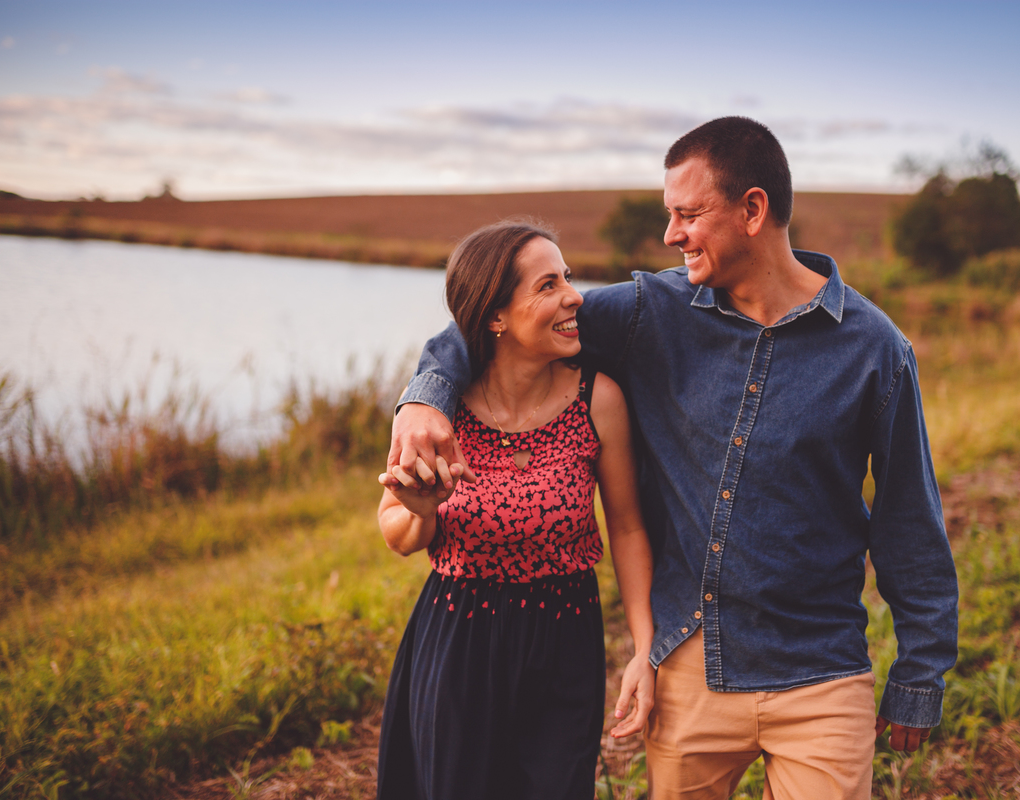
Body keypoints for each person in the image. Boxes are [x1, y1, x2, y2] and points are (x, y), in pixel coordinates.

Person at [387, 117, 959, 800]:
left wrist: (919, 672)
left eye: (687, 214)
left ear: (752, 209)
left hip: (820, 673)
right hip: (689, 664)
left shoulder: (874, 351)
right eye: (669, 214)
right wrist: (428, 394)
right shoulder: (650, 312)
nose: (670, 234)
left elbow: (907, 520)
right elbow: (495, 317)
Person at [374, 221, 655, 800]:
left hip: (567, 642)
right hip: (459, 642)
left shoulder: (597, 398)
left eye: (568, 278)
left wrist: (644, 648)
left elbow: (627, 527)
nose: (574, 297)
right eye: (548, 285)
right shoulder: (437, 413)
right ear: (495, 317)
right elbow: (398, 533)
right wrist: (422, 510)